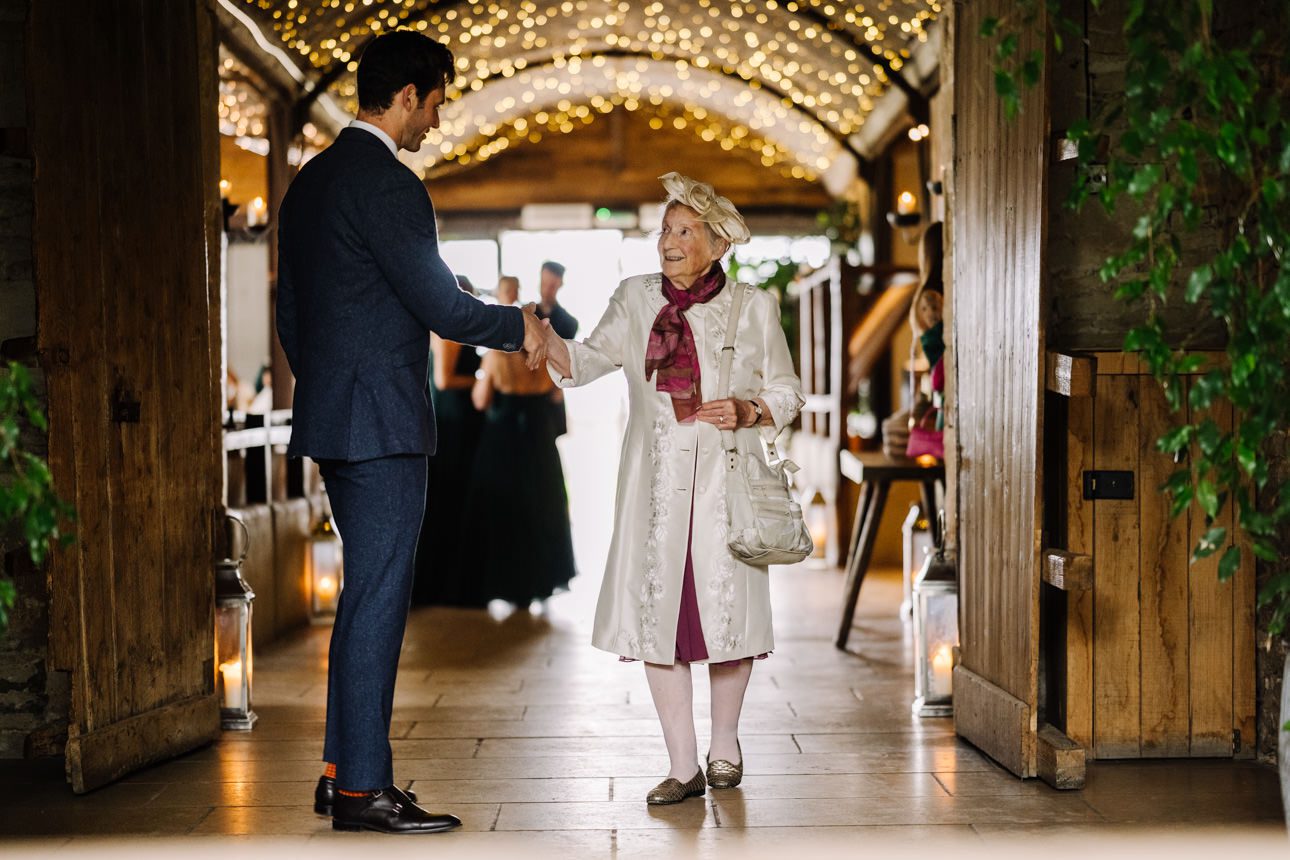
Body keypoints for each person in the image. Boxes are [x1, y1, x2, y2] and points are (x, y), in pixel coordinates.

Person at [275, 30, 548, 835]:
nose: (435, 121)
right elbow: (441, 306)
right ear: (406, 97)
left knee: (365, 594)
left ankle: (338, 768)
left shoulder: (309, 184)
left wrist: (332, 384)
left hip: (333, 417)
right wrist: (520, 325)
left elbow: (293, 315)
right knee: (379, 599)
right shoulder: (390, 186)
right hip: (385, 424)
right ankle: (363, 789)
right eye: (434, 103)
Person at [543, 172, 804, 805]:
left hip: (726, 491)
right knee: (659, 622)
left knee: (726, 621)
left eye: (685, 230)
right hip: (655, 495)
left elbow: (788, 392)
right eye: (665, 228)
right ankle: (683, 765)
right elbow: (582, 364)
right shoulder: (635, 299)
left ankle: (724, 746)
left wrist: (748, 409)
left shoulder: (752, 305)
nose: (669, 239)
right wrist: (537, 334)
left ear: (717, 245)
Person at [461, 275, 576, 608]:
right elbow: (557, 394)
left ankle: (509, 583)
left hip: (505, 436)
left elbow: (481, 401)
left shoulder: (496, 350)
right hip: (538, 435)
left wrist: (482, 376)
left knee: (505, 509)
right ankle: (541, 579)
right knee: (542, 506)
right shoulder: (540, 346)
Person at [412, 275, 484, 606]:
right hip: (452, 422)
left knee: (455, 500)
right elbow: (443, 379)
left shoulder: (448, 329)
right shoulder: (448, 331)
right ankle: (445, 585)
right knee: (451, 499)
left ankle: (453, 582)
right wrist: (480, 378)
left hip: (457, 421)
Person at [536, 261, 577, 437]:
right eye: (544, 283)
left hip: (550, 388)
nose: (546, 289)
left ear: (560, 284)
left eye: (551, 285)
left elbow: (565, 360)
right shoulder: (526, 315)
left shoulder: (569, 322)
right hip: (522, 390)